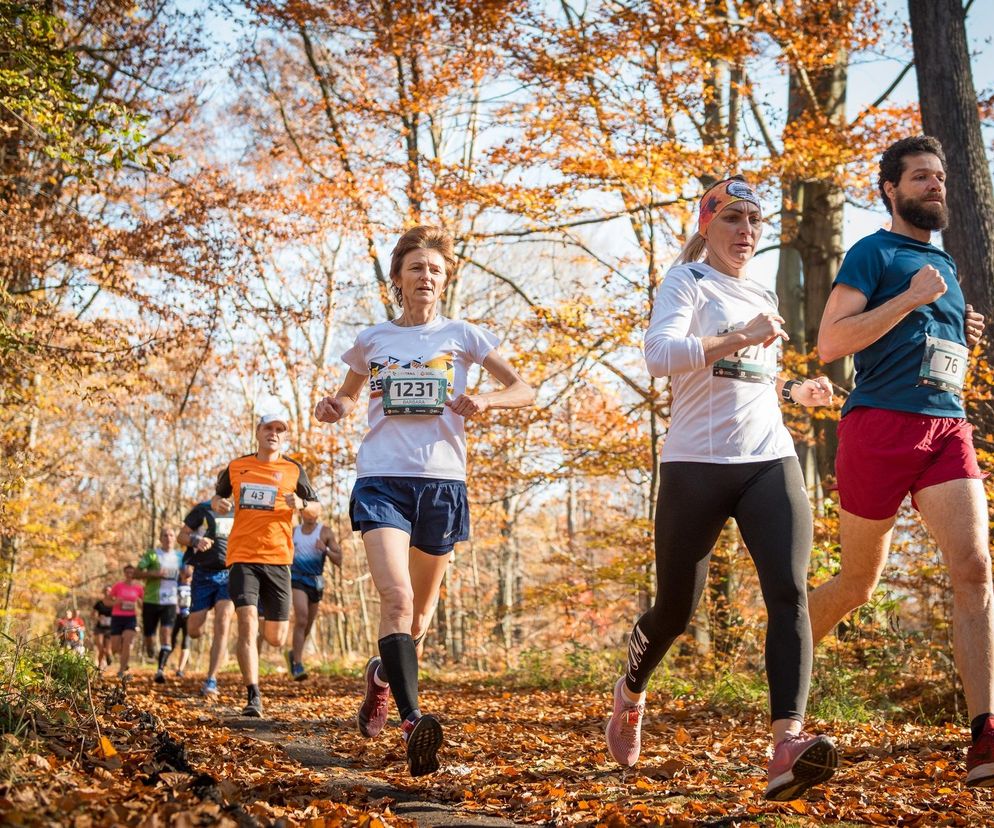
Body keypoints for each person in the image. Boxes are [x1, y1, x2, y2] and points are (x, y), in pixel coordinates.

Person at [603, 177, 838, 800]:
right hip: (694, 466)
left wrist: (796, 391)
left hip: (769, 459)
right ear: (706, 225)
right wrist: (738, 336)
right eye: (732, 218)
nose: (746, 231)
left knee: (789, 592)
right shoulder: (687, 283)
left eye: (754, 221)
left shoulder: (761, 291)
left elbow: (755, 378)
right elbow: (658, 356)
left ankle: (787, 743)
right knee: (674, 610)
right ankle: (629, 695)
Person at [315, 225, 535, 777]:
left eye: (435, 269)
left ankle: (381, 680)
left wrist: (485, 397)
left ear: (445, 279)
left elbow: (524, 388)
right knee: (396, 600)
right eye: (416, 268)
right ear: (398, 278)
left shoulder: (464, 335)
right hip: (381, 480)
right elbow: (346, 394)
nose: (426, 277)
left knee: (420, 617)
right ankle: (414, 720)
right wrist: (336, 407)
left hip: (442, 483)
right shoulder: (372, 340)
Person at [808, 135, 993, 787]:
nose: (935, 186)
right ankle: (789, 671)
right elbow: (832, 340)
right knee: (858, 585)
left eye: (939, 177)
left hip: (946, 428)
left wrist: (954, 329)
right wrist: (913, 298)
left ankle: (985, 736)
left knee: (973, 569)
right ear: (891, 189)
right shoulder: (873, 253)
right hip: (879, 428)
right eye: (920, 177)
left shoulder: (940, 266)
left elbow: (924, 343)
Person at [212, 413, 321, 717]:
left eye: (279, 430)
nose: (273, 433)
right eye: (268, 428)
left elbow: (317, 507)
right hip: (242, 555)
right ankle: (253, 696)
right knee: (245, 623)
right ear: (258, 432)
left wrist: (301, 505)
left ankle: (267, 629)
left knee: (275, 637)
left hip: (278, 558)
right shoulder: (236, 467)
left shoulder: (293, 469)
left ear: (283, 437)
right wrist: (217, 504)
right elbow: (217, 498)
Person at [177, 496, 235, 697]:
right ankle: (203, 622)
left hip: (229, 574)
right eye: (224, 487)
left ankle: (211, 680)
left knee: (224, 620)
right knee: (194, 630)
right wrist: (196, 540)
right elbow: (181, 536)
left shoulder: (240, 510)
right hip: (202, 574)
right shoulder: (202, 509)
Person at [287, 511, 342, 680]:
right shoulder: (293, 531)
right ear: (301, 513)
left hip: (316, 582)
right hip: (297, 579)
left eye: (314, 512)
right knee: (301, 618)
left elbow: (339, 559)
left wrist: (325, 549)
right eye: (307, 512)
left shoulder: (325, 532)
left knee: (308, 625)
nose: (311, 515)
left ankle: (293, 654)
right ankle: (297, 664)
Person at [136, 526, 183, 684]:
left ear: (174, 538)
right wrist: (153, 574)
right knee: (149, 636)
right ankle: (151, 650)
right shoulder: (152, 554)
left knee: (165, 633)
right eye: (165, 535)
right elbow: (137, 572)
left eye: (171, 535)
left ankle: (160, 670)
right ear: (160, 538)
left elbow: (187, 573)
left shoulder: (180, 556)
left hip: (170, 601)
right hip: (151, 600)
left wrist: (188, 573)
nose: (168, 538)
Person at [109, 564, 144, 678]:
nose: (130, 575)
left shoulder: (138, 588)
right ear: (124, 573)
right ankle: (125, 658)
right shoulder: (118, 586)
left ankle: (121, 670)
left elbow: (144, 604)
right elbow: (107, 601)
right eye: (127, 572)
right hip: (117, 617)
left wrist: (140, 604)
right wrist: (116, 603)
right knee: (115, 647)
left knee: (127, 644)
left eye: (132, 573)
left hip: (131, 618)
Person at [93, 587, 115, 669]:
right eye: (105, 590)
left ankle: (107, 660)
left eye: (109, 591)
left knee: (108, 650)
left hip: (110, 629)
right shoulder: (99, 603)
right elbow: (93, 614)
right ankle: (99, 666)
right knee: (101, 648)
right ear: (103, 592)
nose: (107, 592)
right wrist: (98, 617)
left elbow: (119, 614)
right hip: (100, 628)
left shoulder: (114, 603)